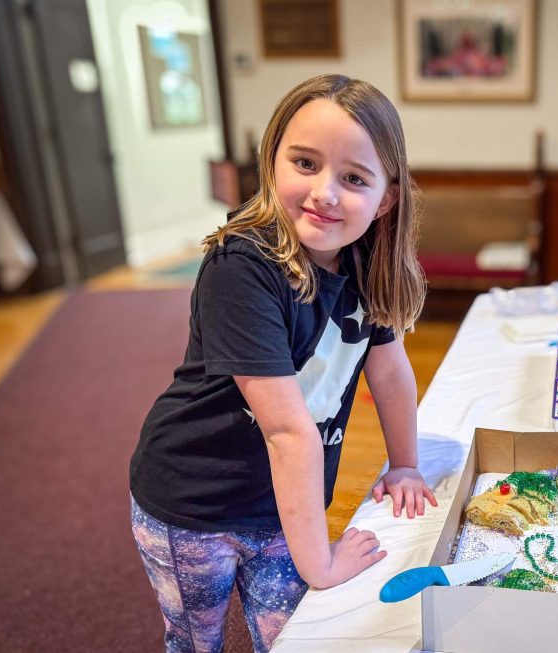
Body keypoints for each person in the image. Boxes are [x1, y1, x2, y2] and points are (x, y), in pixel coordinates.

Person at [128, 74, 437, 653]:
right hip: (194, 505)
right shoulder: (240, 267)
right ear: (272, 161)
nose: (325, 193)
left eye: (353, 178)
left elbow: (390, 369)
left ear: (386, 197)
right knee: (198, 641)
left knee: (296, 636)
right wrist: (320, 563)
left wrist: (405, 465)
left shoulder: (368, 263)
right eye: (305, 163)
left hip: (283, 503)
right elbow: (288, 430)